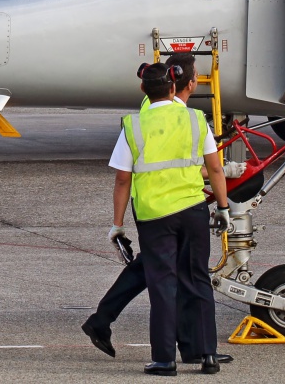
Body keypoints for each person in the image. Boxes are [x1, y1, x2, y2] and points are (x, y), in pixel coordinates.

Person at [82, 53, 234, 368]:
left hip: (152, 211)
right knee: (193, 278)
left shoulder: (138, 120)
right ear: (181, 83)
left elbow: (122, 178)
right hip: (189, 207)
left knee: (162, 282)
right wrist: (223, 207)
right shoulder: (193, 118)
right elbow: (213, 168)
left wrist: (117, 224)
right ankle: (203, 352)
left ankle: (166, 358)